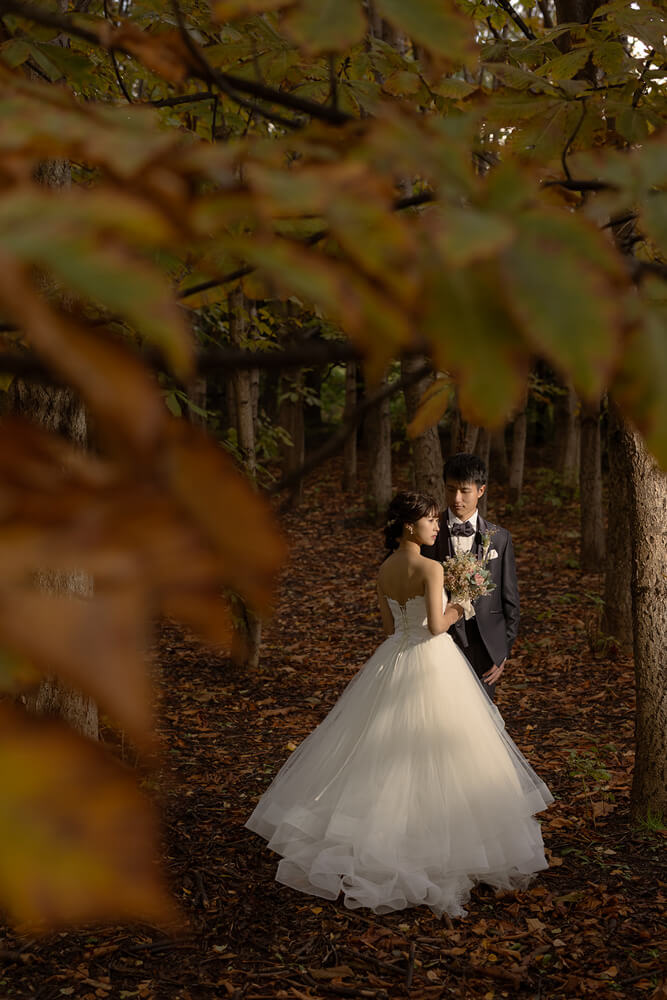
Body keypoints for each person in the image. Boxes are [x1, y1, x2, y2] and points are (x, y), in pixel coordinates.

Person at [245, 491, 552, 918]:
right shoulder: (430, 568)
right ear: (410, 526)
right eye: (430, 521)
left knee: (375, 748)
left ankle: (365, 836)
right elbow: (435, 627)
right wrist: (461, 603)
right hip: (431, 661)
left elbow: (390, 625)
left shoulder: (384, 569)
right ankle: (444, 848)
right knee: (444, 751)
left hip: (392, 659)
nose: (437, 526)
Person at [422, 453, 519, 700]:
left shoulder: (500, 537)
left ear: (481, 490)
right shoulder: (428, 533)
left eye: (464, 491)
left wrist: (502, 652)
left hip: (485, 648)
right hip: (438, 642)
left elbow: (510, 601)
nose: (456, 499)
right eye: (450, 489)